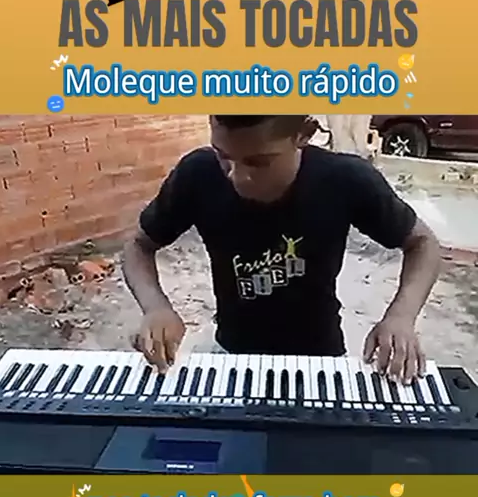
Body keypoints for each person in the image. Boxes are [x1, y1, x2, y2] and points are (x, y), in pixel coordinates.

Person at [123, 115, 441, 383]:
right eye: (223, 155)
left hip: (318, 362)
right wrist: (155, 306)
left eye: (258, 162)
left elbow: (422, 243)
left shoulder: (345, 179)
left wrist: (401, 316)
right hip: (231, 353)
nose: (236, 176)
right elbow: (138, 245)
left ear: (304, 134)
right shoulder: (198, 175)